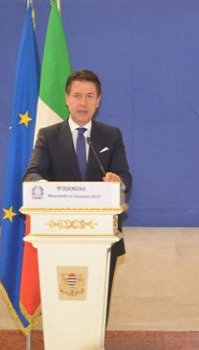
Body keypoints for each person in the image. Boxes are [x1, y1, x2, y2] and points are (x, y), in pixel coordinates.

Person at [23, 69, 132, 316]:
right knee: (64, 309)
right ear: (66, 98)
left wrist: (118, 181)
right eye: (77, 95)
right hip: (58, 237)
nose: (83, 102)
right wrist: (51, 190)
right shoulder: (48, 136)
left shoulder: (111, 135)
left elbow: (126, 179)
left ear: (98, 101)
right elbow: (32, 175)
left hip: (102, 237)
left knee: (96, 308)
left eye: (90, 96)